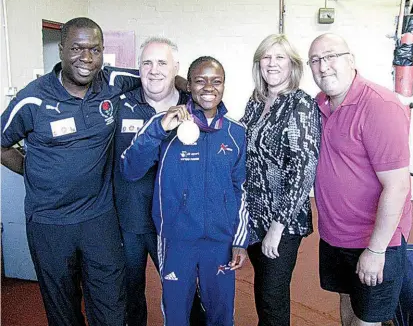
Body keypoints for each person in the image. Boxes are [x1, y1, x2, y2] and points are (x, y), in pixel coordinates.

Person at [1, 17, 140, 326]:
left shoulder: (112, 81)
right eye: (77, 48)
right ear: (61, 50)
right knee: (62, 310)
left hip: (99, 219)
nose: (87, 58)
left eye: (94, 49)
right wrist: (30, 169)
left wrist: (189, 86)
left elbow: (155, 75)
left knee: (111, 305)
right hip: (49, 223)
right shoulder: (32, 98)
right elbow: (1, 144)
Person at [120, 56, 248, 326]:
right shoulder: (164, 123)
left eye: (216, 81)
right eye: (200, 81)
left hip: (220, 243)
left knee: (222, 315)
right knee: (177, 316)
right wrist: (159, 129)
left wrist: (239, 240)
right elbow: (129, 169)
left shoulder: (236, 132)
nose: (208, 87)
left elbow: (241, 188)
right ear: (188, 85)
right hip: (177, 241)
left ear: (224, 85)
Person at [308, 33, 412, 326]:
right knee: (347, 301)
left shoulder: (380, 105)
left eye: (331, 56)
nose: (323, 66)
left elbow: (398, 185)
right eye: (315, 60)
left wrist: (376, 250)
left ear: (351, 60)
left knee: (367, 320)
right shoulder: (320, 104)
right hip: (334, 236)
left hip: (374, 240)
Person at [113, 37, 205, 326]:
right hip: (129, 223)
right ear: (138, 68)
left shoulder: (195, 109)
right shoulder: (120, 105)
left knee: (185, 297)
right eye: (147, 63)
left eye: (162, 63)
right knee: (129, 298)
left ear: (176, 68)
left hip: (175, 226)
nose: (154, 70)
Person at [240, 34, 321, 326]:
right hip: (254, 215)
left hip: (281, 221)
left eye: (280, 58)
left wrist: (278, 225)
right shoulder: (256, 101)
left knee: (272, 299)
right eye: (266, 57)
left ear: (292, 65)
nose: (272, 64)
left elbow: (304, 168)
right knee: (263, 292)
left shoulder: (300, 105)